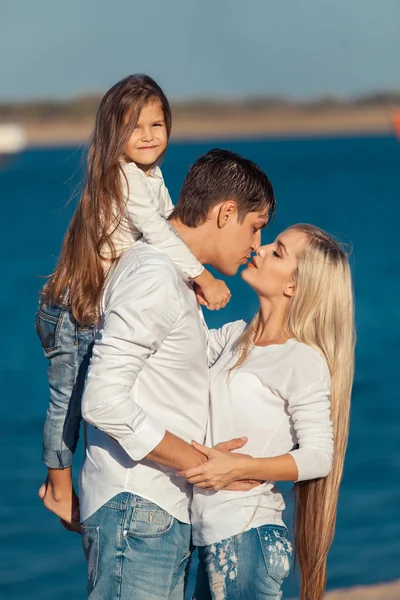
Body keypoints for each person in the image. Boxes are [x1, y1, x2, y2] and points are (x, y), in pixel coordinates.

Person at [35, 74, 231, 531]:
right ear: (112, 133)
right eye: (134, 126)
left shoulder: (150, 175)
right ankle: (58, 488)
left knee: (84, 390)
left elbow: (170, 225)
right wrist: (202, 276)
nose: (148, 136)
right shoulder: (121, 178)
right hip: (73, 308)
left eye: (157, 124)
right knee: (69, 398)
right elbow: (161, 235)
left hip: (92, 305)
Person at [79, 148, 276, 599]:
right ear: (227, 213)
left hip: (153, 510)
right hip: (138, 506)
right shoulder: (156, 275)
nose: (257, 245)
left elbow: (186, 358)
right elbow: (103, 401)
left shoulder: (175, 277)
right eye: (255, 226)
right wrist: (204, 466)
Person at [178, 224, 355, 600]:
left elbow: (319, 456)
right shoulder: (235, 336)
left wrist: (240, 467)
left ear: (294, 286)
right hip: (211, 536)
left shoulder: (301, 359)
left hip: (248, 537)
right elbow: (175, 346)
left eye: (277, 252)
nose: (260, 248)